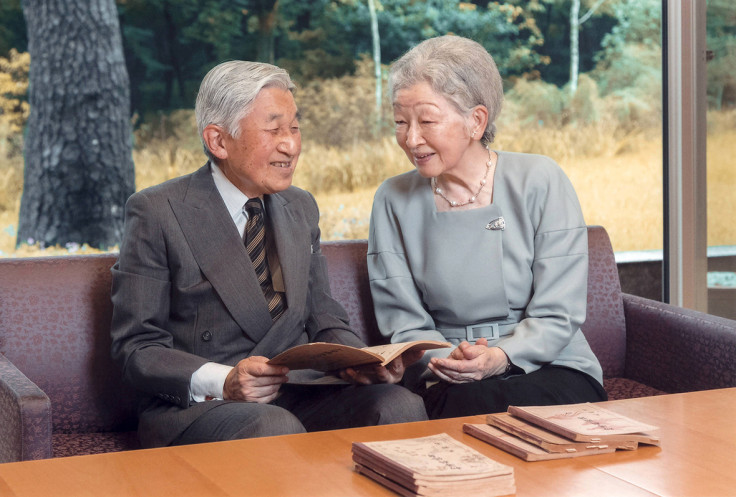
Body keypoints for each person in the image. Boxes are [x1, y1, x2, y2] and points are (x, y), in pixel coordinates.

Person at [110, 60, 427, 449]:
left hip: (297, 391)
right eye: (274, 129)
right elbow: (137, 348)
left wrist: (361, 360)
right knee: (271, 427)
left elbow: (323, 317)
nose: (291, 145)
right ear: (219, 141)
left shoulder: (300, 206)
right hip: (206, 406)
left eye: (294, 127)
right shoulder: (157, 211)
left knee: (398, 405)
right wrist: (224, 380)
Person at [365, 35, 607, 419]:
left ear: (476, 120)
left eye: (427, 121)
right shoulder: (392, 198)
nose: (411, 138)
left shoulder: (540, 179)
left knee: (497, 406)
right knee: (468, 403)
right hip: (446, 372)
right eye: (400, 122)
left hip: (551, 363)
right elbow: (404, 322)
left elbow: (559, 310)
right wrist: (453, 360)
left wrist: (500, 357)